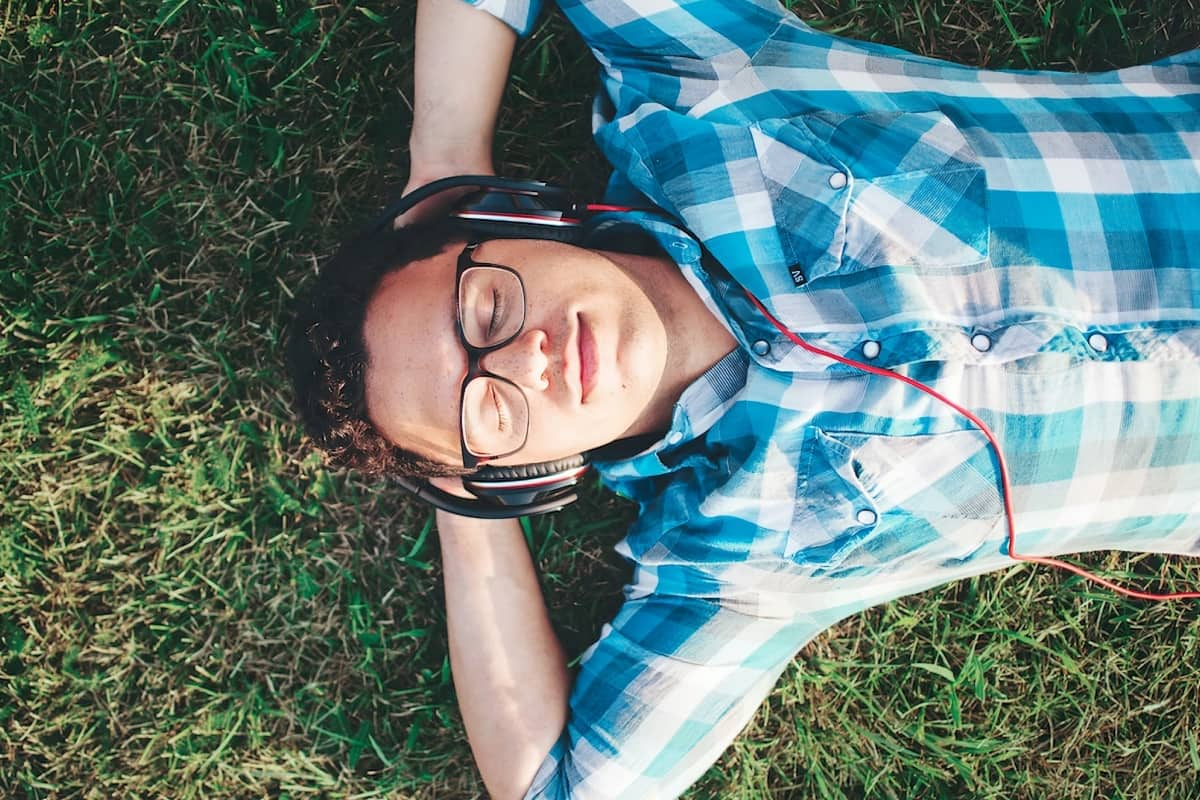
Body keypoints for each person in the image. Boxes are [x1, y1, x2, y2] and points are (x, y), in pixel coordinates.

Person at [286, 0, 1200, 797]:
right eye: (491, 411)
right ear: (526, 477)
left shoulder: (701, 94)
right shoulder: (728, 564)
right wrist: (467, 497)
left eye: (486, 308)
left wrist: (443, 152)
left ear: (509, 219)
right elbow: (555, 788)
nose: (532, 361)